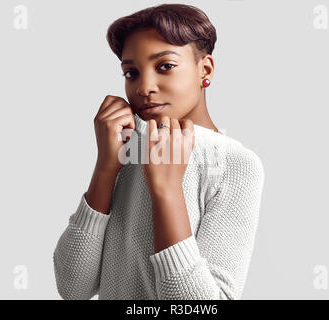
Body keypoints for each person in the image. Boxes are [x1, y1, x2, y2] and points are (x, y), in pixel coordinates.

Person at [53, 3, 265, 300]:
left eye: (164, 66)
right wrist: (105, 166)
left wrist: (167, 190)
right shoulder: (124, 148)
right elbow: (73, 289)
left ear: (205, 69)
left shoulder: (235, 165)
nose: (144, 87)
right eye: (131, 73)